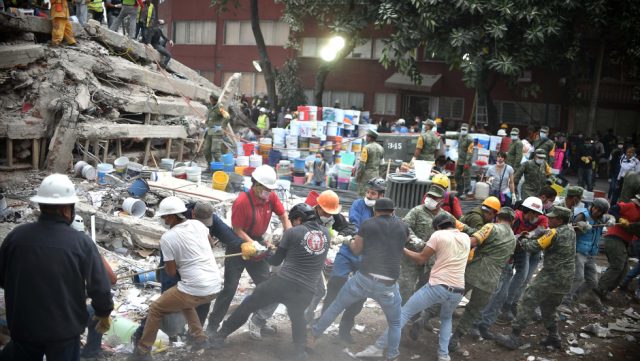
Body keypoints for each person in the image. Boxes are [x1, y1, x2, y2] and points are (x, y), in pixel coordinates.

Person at [0, 174, 113, 360]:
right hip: (64, 332)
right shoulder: (82, 243)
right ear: (66, 210)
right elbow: (100, 288)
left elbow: (3, 279)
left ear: (41, 205)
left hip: (23, 328)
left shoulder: (15, 237)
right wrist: (103, 312)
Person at [211, 203, 330, 361]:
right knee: (297, 317)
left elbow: (275, 261)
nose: (292, 224)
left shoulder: (293, 232)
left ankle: (220, 336)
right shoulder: (327, 234)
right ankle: (300, 353)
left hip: (283, 283)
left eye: (293, 220)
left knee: (249, 304)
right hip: (307, 289)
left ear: (299, 219)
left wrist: (266, 251)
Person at [357, 213, 470, 361]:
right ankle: (443, 355)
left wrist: (401, 249)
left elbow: (421, 259)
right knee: (447, 318)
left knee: (403, 314)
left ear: (437, 227)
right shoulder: (465, 238)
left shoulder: (438, 235)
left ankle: (377, 348)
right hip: (458, 289)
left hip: (438, 286)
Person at [311, 198, 409, 361]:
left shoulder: (368, 224)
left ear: (376, 211)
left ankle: (313, 336)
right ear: (393, 211)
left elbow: (356, 250)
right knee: (395, 323)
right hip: (388, 284)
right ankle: (392, 356)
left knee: (336, 306)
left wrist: (348, 241)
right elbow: (401, 246)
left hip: (364, 279)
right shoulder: (403, 227)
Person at [129, 197, 222, 360]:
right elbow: (210, 245)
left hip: (196, 287)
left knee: (156, 308)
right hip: (215, 284)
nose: (163, 220)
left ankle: (142, 349)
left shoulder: (168, 238)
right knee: (185, 300)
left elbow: (171, 272)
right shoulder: (199, 224)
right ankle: (200, 338)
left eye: (164, 217)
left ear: (172, 216)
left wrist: (176, 263)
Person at [206, 165, 291, 339]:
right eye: (266, 189)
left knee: (266, 286)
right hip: (239, 244)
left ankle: (259, 321)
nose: (269, 192)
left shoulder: (271, 198)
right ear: (256, 185)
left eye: (270, 189)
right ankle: (213, 324)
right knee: (230, 288)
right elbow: (237, 228)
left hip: (258, 242)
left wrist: (289, 235)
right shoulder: (242, 202)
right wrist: (251, 243)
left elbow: (283, 216)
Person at [495, 206, 576, 351]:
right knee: (549, 307)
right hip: (566, 278)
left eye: (552, 218)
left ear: (560, 220)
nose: (549, 219)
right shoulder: (570, 230)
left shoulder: (553, 233)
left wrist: (522, 239)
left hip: (551, 276)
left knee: (528, 300)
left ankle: (514, 337)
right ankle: (554, 337)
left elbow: (533, 247)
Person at [449, 207, 517, 352]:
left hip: (472, 272)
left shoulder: (491, 227)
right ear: (512, 221)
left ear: (497, 217)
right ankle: (455, 339)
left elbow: (472, 242)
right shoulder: (513, 239)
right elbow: (507, 260)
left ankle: (426, 317)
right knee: (473, 311)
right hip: (490, 280)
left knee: (450, 296)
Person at [68, 215, 118, 361]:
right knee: (97, 313)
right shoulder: (86, 246)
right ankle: (90, 352)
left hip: (40, 315)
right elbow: (112, 279)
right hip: (62, 318)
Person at [304, 190, 357, 328]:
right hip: (302, 258)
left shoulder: (333, 216)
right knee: (301, 290)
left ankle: (304, 318)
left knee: (320, 290)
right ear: (318, 207)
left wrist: (341, 235)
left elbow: (350, 227)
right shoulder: (307, 215)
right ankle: (300, 318)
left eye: (330, 213)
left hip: (317, 259)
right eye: (325, 212)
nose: (328, 216)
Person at [498, 196, 549, 323]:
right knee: (519, 275)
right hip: (518, 249)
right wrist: (520, 236)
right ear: (529, 212)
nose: (536, 217)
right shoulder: (515, 217)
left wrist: (531, 234)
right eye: (535, 214)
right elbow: (504, 235)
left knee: (525, 279)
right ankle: (506, 304)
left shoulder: (542, 218)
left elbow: (541, 229)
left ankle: (513, 304)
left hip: (533, 251)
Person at [559, 198, 614, 312]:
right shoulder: (582, 215)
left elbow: (612, 217)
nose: (595, 211)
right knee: (578, 277)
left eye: (599, 210)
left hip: (590, 254)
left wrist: (612, 220)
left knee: (592, 281)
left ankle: (573, 300)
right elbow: (572, 229)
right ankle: (564, 303)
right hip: (578, 252)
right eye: (595, 208)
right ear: (592, 206)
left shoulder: (602, 218)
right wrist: (581, 226)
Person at [594, 193, 640, 301]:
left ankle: (606, 290)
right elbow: (612, 210)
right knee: (617, 265)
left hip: (624, 241)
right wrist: (619, 219)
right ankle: (600, 288)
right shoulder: (631, 206)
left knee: (624, 270)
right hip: (615, 238)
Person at [445, 123, 473, 198]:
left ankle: (466, 192)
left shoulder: (470, 139)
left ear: (467, 130)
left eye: (465, 129)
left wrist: (467, 162)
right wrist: (441, 135)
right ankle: (459, 190)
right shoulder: (459, 135)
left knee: (467, 177)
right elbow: (451, 136)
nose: (463, 131)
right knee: (457, 175)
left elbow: (470, 152)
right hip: (460, 160)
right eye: (462, 129)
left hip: (466, 161)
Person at [203, 93, 230, 164]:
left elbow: (227, 116)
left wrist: (221, 127)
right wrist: (206, 125)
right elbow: (208, 118)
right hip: (209, 131)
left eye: (211, 99)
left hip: (216, 132)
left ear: (215, 100)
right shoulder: (210, 107)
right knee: (206, 150)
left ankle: (218, 166)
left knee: (215, 150)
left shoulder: (219, 107)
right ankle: (209, 165)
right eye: (210, 98)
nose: (210, 100)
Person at [356, 129, 384, 196]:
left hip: (366, 176)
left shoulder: (366, 148)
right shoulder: (381, 148)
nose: (366, 138)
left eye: (367, 136)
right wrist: (379, 175)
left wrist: (358, 175)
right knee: (373, 194)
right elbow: (382, 164)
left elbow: (362, 164)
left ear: (369, 137)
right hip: (376, 176)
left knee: (363, 194)